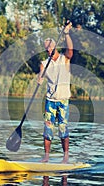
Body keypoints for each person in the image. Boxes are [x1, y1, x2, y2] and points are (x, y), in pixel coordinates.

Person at [37, 22, 73, 163]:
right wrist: (39, 79)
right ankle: (46, 157)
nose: (48, 50)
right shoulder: (44, 63)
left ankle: (65, 157)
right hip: (50, 101)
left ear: (55, 46)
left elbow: (70, 50)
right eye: (46, 48)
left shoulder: (64, 59)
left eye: (50, 47)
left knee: (63, 129)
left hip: (63, 100)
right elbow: (40, 75)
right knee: (48, 129)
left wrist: (66, 34)